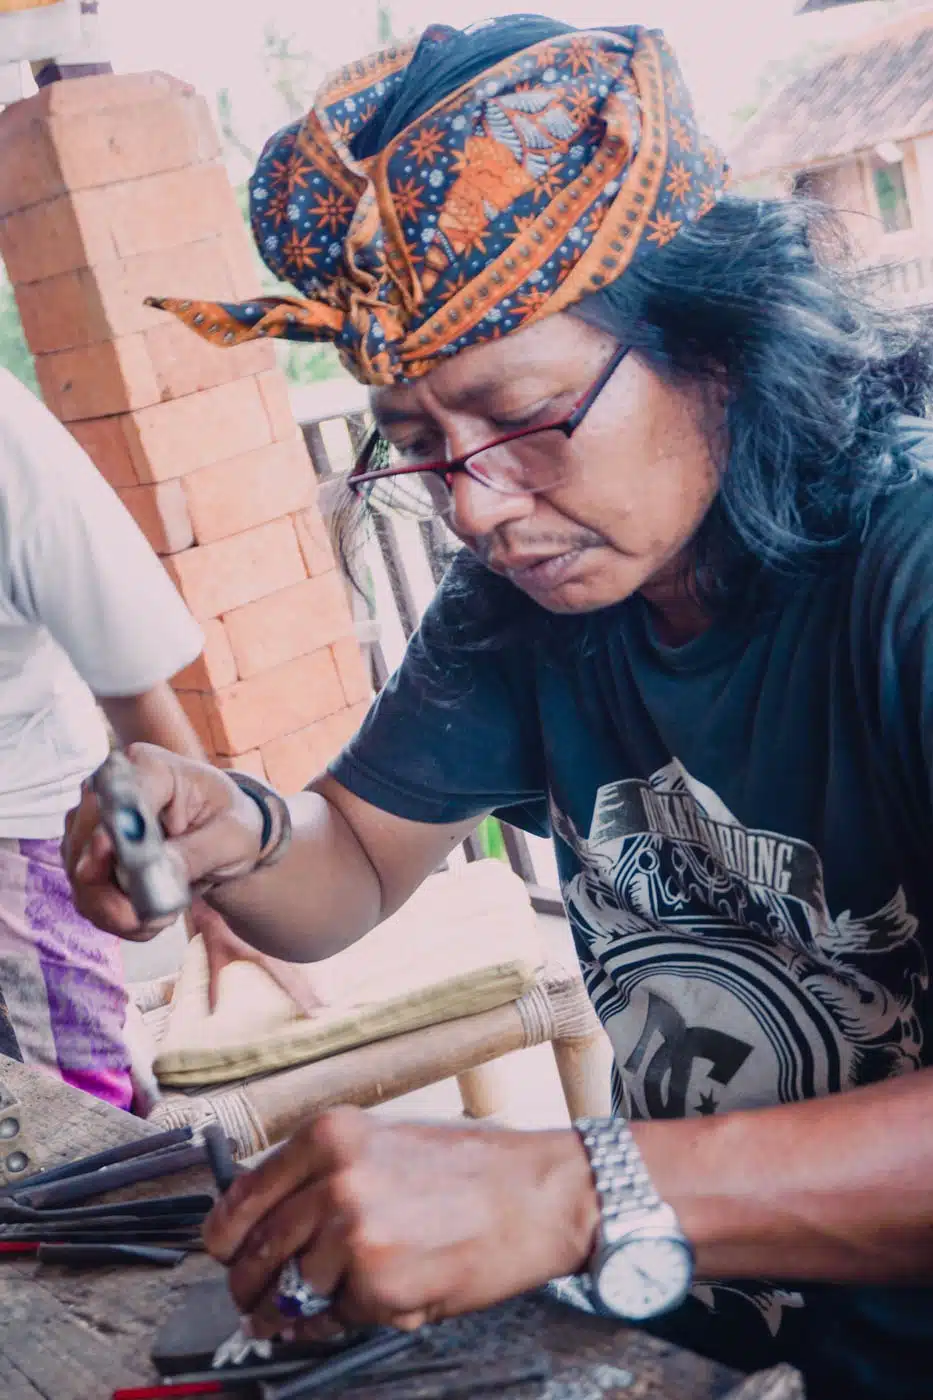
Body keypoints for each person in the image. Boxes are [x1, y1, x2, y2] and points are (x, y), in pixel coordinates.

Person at [66, 15, 933, 1399]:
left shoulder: (908, 573)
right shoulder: (530, 604)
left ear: (718, 346)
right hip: (688, 1337)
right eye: (419, 445)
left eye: (521, 417)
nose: (474, 509)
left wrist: (573, 1184)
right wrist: (237, 830)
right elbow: (349, 865)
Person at [0, 367, 314, 1109]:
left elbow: (135, 690)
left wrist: (219, 904)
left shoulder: (11, 446)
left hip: (17, 825)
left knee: (81, 1119)